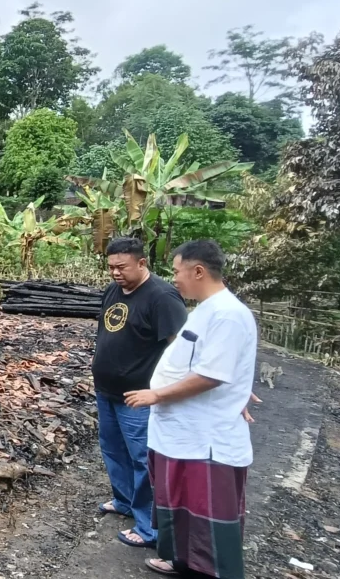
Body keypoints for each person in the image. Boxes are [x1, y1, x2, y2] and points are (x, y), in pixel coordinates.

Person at [125, 240, 259, 578]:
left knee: (205, 511)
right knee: (180, 504)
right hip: (181, 431)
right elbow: (211, 363)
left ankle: (211, 571)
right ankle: (182, 561)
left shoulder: (228, 314)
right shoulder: (205, 308)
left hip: (206, 437)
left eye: (177, 272)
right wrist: (240, 389)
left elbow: (212, 374)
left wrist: (156, 395)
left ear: (198, 271)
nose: (175, 279)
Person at [92, 237, 189, 549]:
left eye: (122, 267)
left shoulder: (162, 297)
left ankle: (149, 527)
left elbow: (181, 347)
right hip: (106, 389)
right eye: (111, 267)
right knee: (112, 449)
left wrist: (164, 392)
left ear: (142, 263)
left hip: (139, 395)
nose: (115, 273)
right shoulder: (112, 291)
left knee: (143, 459)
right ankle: (124, 501)